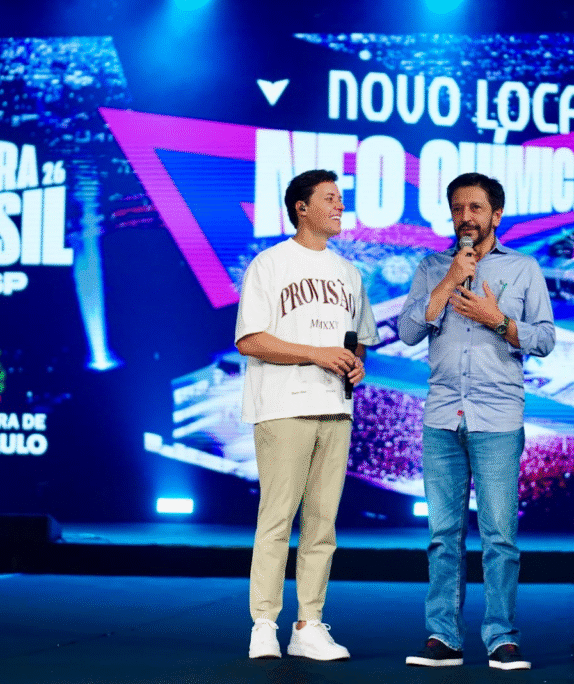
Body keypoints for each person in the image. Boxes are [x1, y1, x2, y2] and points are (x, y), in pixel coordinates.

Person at [399, 172, 555, 670]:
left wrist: (498, 320)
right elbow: (406, 332)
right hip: (442, 416)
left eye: (475, 208)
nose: (465, 217)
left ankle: (501, 636)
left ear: (496, 215)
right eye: (457, 208)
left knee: (499, 537)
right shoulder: (431, 267)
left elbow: (546, 338)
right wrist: (448, 281)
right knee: (443, 536)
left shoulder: (524, 269)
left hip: (498, 419)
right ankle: (443, 636)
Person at [235, 169, 378, 661]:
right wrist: (315, 354)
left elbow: (359, 340)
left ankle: (308, 625)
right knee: (276, 520)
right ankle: (263, 624)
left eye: (340, 199)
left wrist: (355, 362)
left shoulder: (349, 272)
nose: (340, 207)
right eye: (330, 199)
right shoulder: (270, 263)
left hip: (335, 407)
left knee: (322, 525)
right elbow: (250, 339)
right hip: (283, 406)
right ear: (301, 207)